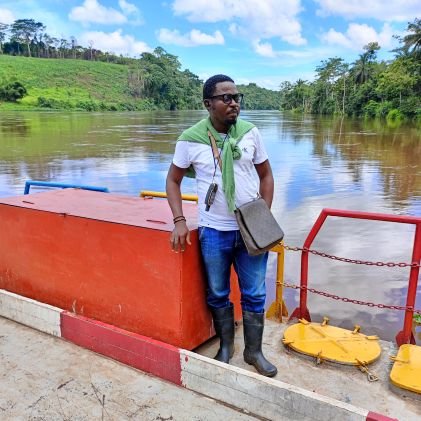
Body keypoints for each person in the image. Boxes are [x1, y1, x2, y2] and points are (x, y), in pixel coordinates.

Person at [165, 74, 277, 377]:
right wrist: (179, 221)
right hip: (214, 231)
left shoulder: (250, 133)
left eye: (236, 97)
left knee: (254, 293)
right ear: (208, 104)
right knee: (217, 291)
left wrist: (262, 217)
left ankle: (254, 352)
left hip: (251, 231)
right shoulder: (190, 139)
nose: (233, 103)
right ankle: (226, 347)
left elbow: (266, 176)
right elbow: (173, 181)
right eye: (225, 98)